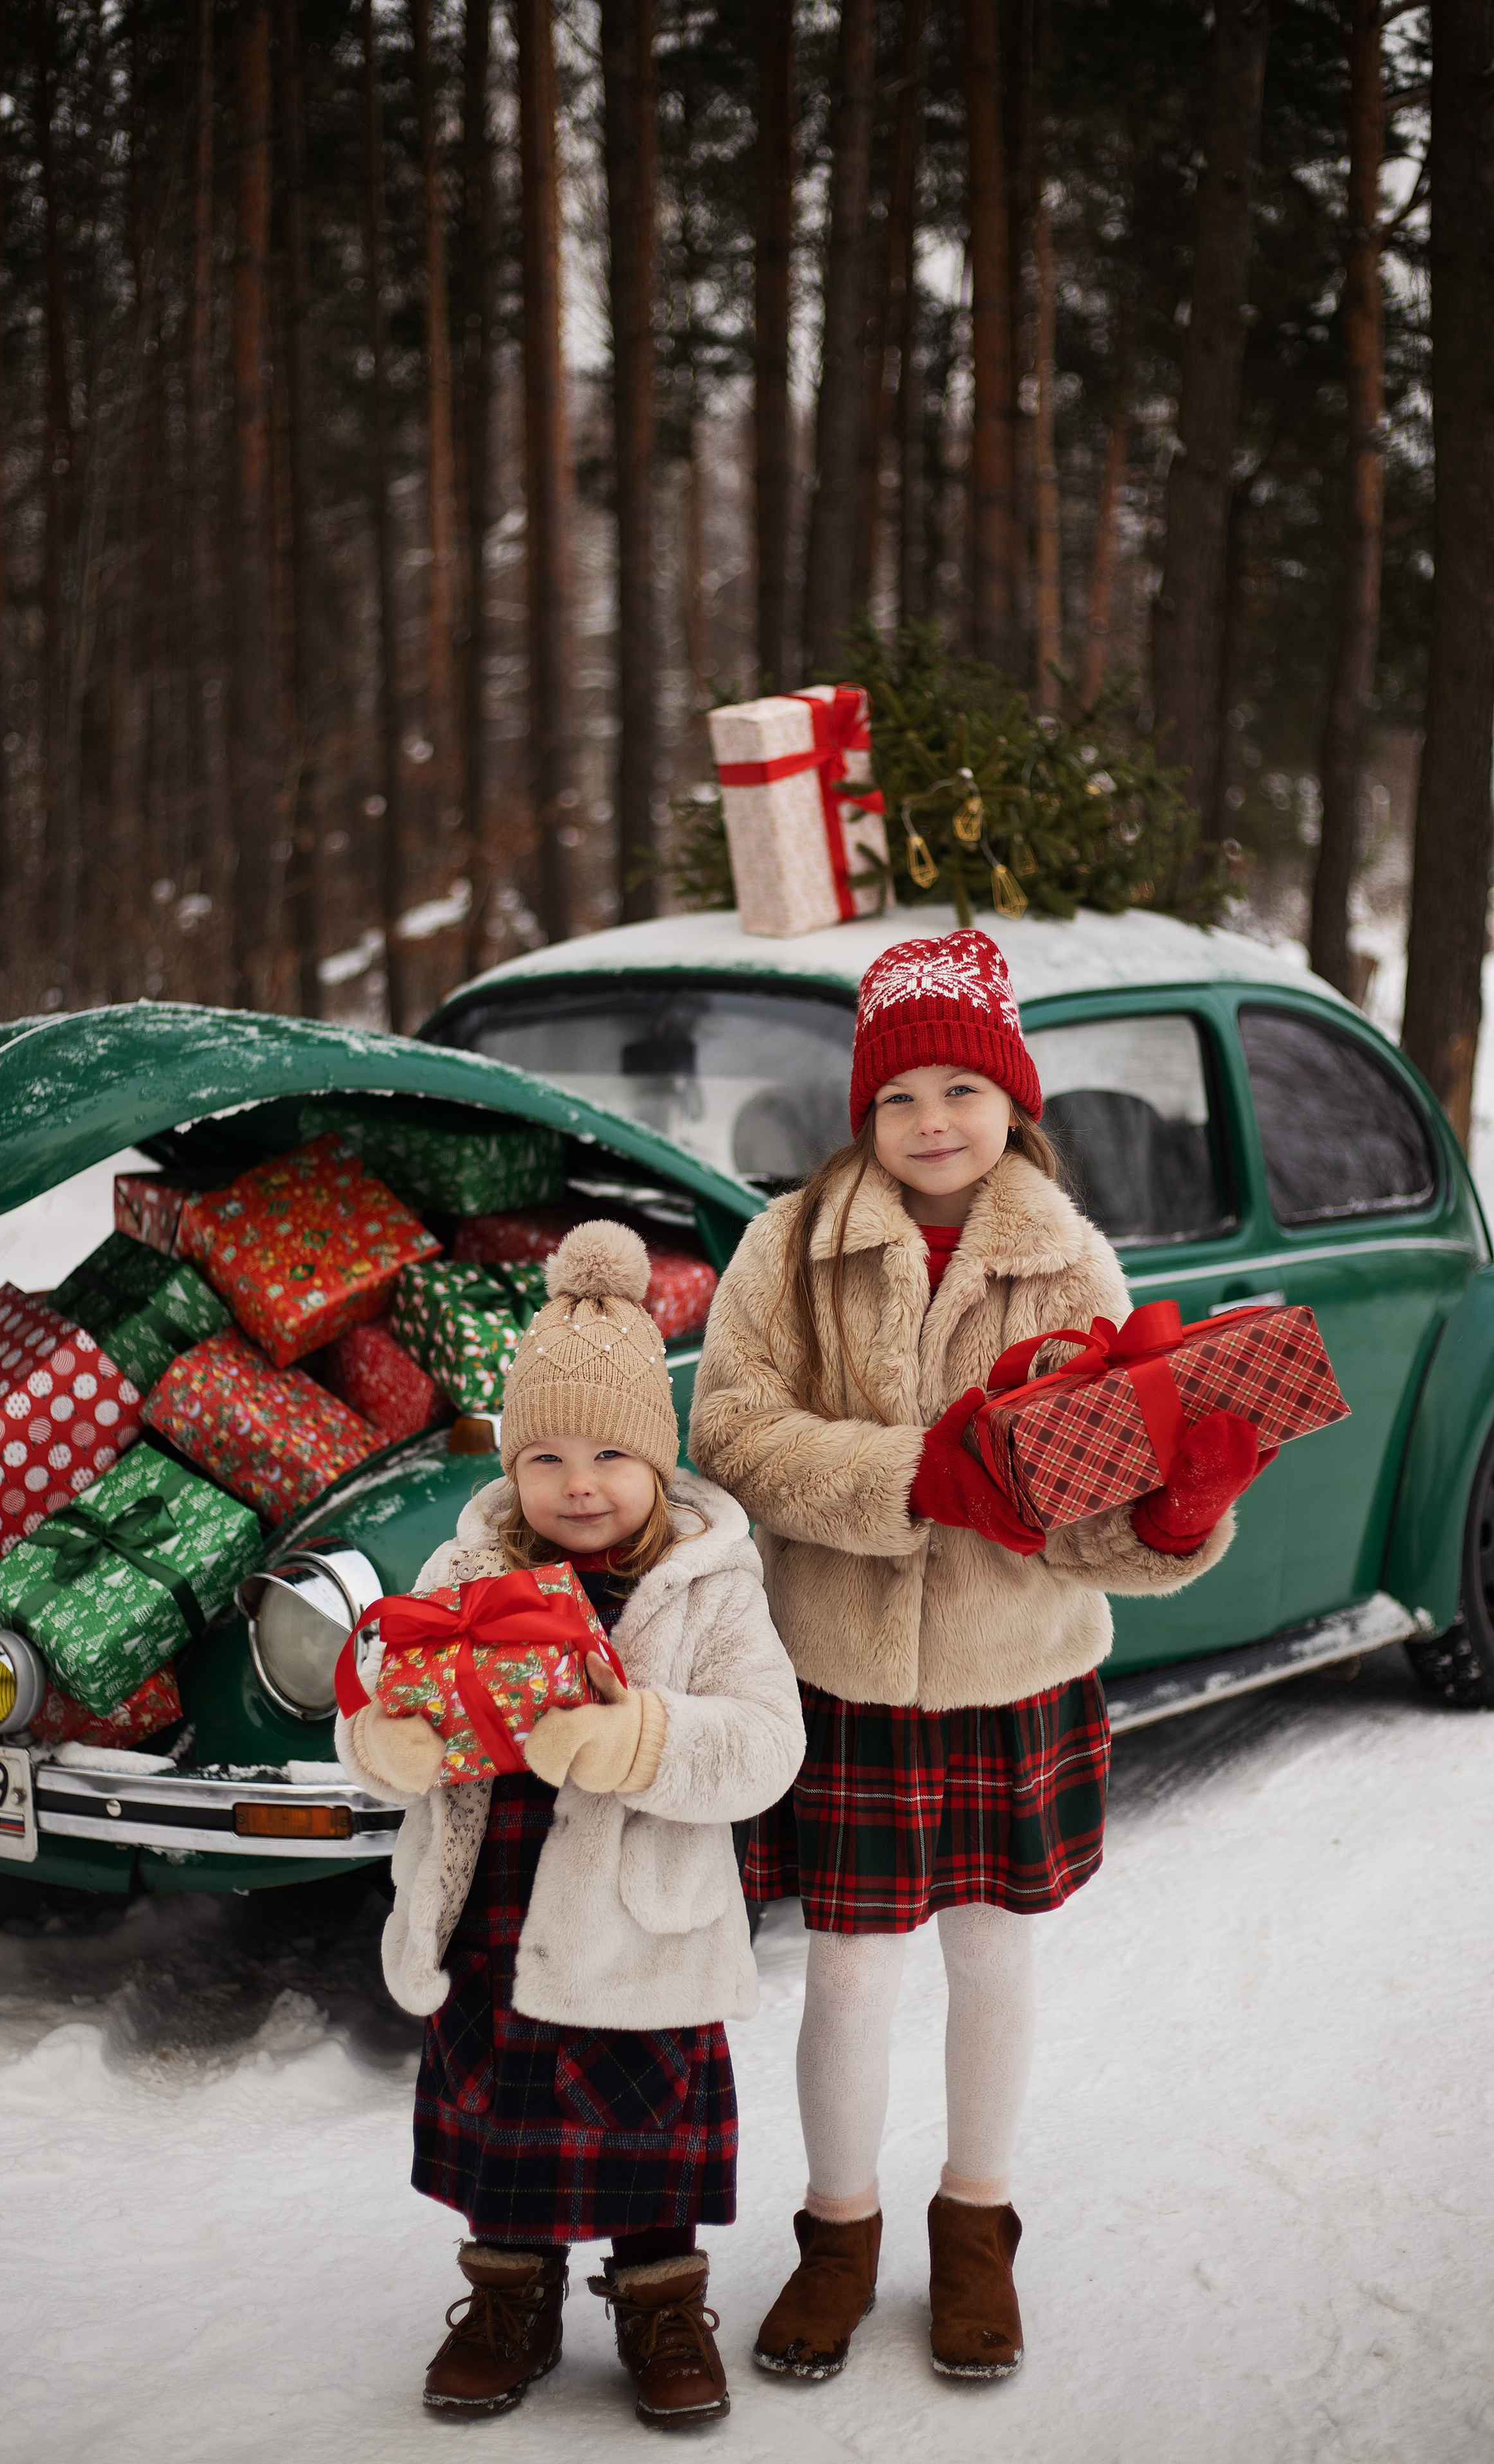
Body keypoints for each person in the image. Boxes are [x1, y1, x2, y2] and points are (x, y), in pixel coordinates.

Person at [690, 930, 1270, 2384]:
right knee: (847, 1978)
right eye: (900, 1098)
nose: (932, 1121)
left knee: (994, 1962)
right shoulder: (792, 1243)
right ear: (859, 1113)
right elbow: (732, 1434)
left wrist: (1170, 1513)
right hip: (845, 1676)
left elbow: (1085, 1515)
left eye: (962, 1088)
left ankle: (976, 2224)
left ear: (1015, 1102)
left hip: (1014, 1677)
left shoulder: (1065, 1255)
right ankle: (838, 2231)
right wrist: (912, 1475)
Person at [337, 1219, 804, 2430]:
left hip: (643, 1924)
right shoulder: (460, 1570)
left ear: (658, 1462)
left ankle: (659, 2302)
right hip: (493, 1906)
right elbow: (393, 1702)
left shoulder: (709, 1585)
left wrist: (643, 1739)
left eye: (609, 1453)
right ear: (510, 1465)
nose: (578, 1482)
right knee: (509, 2123)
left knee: (646, 2131)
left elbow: (766, 1744)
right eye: (543, 1455)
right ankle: (510, 2300)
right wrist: (380, 1745)